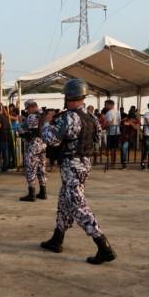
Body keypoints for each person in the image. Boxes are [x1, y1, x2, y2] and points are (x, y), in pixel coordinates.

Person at [40, 78, 116, 265]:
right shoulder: (90, 117)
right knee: (64, 201)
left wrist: (46, 123)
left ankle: (103, 246)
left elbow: (52, 139)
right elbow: (98, 136)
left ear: (69, 96)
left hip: (72, 164)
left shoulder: (69, 117)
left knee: (77, 205)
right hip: (84, 162)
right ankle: (57, 239)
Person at [17, 100, 47, 202]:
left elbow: (27, 132)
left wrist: (21, 124)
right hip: (43, 144)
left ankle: (31, 194)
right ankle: (43, 192)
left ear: (31, 107)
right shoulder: (43, 115)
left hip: (33, 144)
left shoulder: (32, 116)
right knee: (41, 168)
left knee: (31, 168)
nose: (27, 112)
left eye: (27, 109)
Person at [104, 100, 121, 168]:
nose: (105, 106)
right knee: (114, 149)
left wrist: (105, 126)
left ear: (110, 105)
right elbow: (119, 121)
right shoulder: (117, 112)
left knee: (111, 149)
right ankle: (113, 162)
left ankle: (112, 163)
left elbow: (109, 123)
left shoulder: (109, 113)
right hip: (117, 131)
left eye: (106, 105)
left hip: (111, 132)